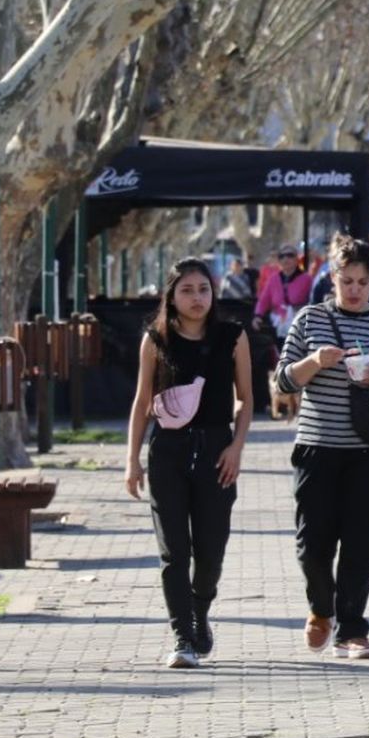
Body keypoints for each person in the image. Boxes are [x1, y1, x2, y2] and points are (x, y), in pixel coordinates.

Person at [275, 234, 369, 660]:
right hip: (318, 446)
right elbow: (281, 382)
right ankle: (321, 607)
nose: (354, 290)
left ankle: (352, 628)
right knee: (311, 542)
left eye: (362, 281)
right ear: (332, 279)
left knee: (361, 542)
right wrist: (314, 361)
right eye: (346, 280)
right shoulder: (310, 320)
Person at [125, 258, 253, 669]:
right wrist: (132, 461)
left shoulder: (233, 336)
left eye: (203, 289)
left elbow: (246, 399)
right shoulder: (155, 340)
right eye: (187, 290)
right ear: (171, 296)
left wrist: (236, 447)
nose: (197, 298)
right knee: (174, 550)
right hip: (168, 451)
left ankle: (201, 609)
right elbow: (142, 403)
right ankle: (183, 635)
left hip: (217, 449)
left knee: (211, 549)